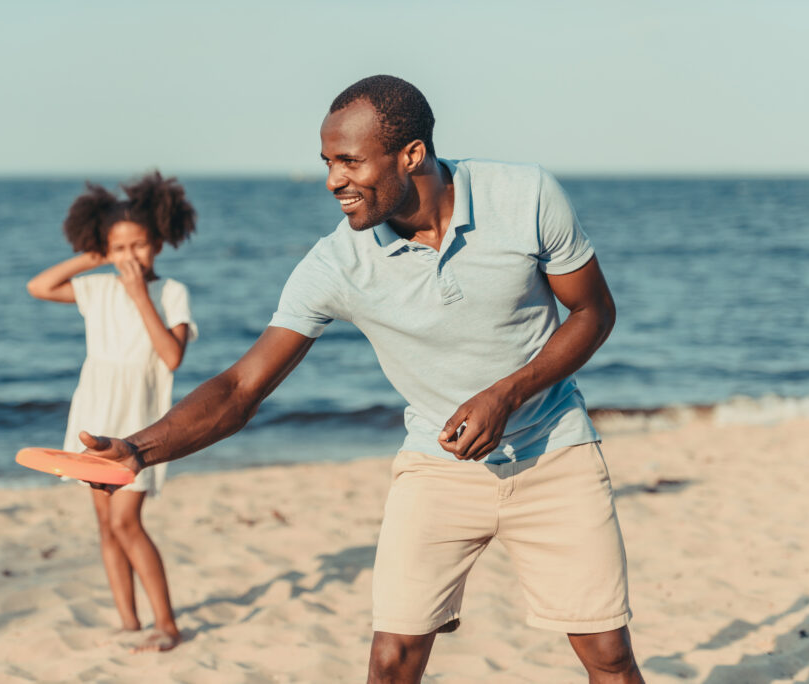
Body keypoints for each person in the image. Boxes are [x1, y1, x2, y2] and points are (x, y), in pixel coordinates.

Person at [79, 76, 644, 682]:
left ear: (412, 154)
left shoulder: (524, 194)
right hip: (436, 465)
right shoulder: (337, 263)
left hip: (554, 452)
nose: (332, 181)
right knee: (391, 660)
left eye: (349, 161)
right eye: (326, 163)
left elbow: (593, 312)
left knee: (608, 657)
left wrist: (507, 392)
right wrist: (139, 450)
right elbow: (242, 387)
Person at [27, 171, 197, 652]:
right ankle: (129, 622)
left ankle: (167, 624)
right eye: (118, 249)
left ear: (159, 243)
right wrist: (96, 258)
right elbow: (39, 286)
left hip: (140, 425)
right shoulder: (97, 288)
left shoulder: (171, 293)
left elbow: (172, 356)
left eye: (139, 245)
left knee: (127, 521)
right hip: (96, 415)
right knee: (105, 524)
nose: (130, 257)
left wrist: (141, 294)